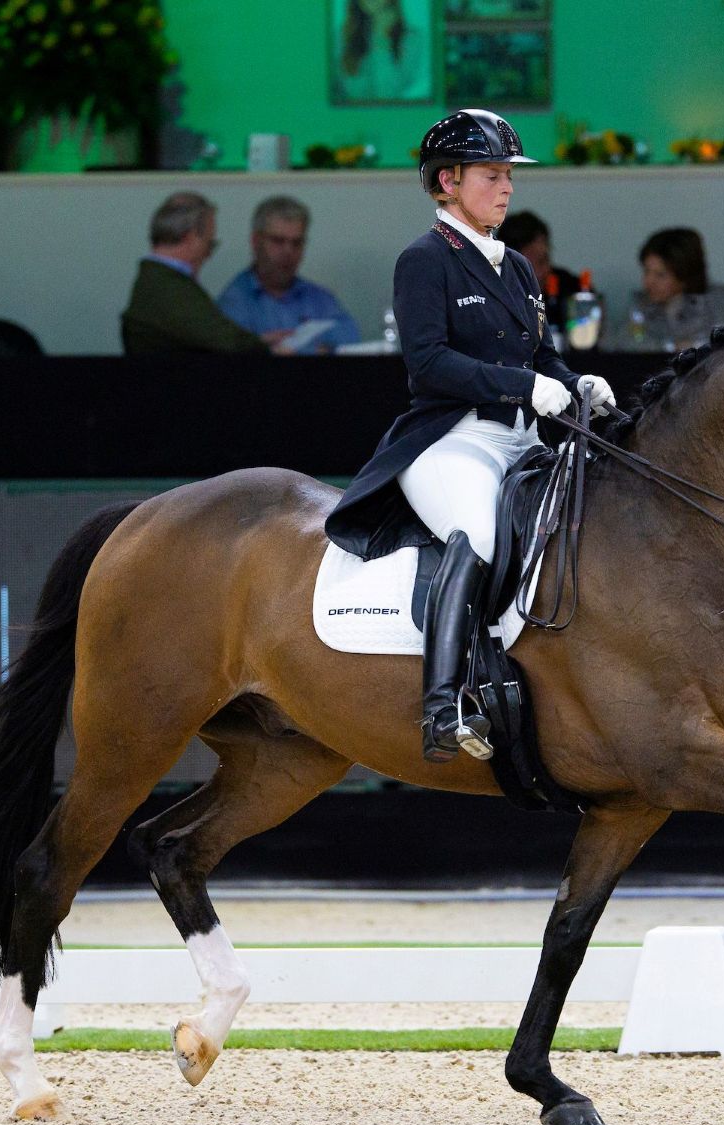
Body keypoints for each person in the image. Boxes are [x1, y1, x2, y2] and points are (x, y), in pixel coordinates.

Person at [323, 109, 616, 763]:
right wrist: (520, 388)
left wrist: (576, 381)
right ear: (446, 182)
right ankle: (443, 705)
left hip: (522, 442)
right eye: (491, 175)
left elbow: (540, 354)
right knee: (479, 536)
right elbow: (429, 363)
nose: (506, 188)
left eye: (509, 175)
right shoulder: (425, 261)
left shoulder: (514, 265)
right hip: (452, 441)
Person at [120, 192, 270, 355]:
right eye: (210, 244)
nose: (209, 255)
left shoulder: (154, 280)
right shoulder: (171, 289)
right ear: (192, 239)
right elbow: (225, 342)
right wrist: (264, 347)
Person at [217, 196, 361, 354]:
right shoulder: (235, 302)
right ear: (255, 241)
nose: (288, 252)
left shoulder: (319, 298)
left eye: (297, 243)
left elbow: (351, 339)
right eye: (278, 241)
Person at [624, 227, 724, 350]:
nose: (648, 282)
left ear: (684, 275)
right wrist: (670, 347)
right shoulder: (640, 305)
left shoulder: (716, 300)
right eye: (646, 271)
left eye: (660, 275)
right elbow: (625, 344)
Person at [333, 0, 430, 103]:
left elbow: (388, 97)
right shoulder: (339, 38)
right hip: (348, 117)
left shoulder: (413, 40)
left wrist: (381, 39)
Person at [499, 211, 581, 317]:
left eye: (545, 260)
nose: (544, 271)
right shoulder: (494, 293)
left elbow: (592, 307)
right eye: (537, 262)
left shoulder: (565, 284)